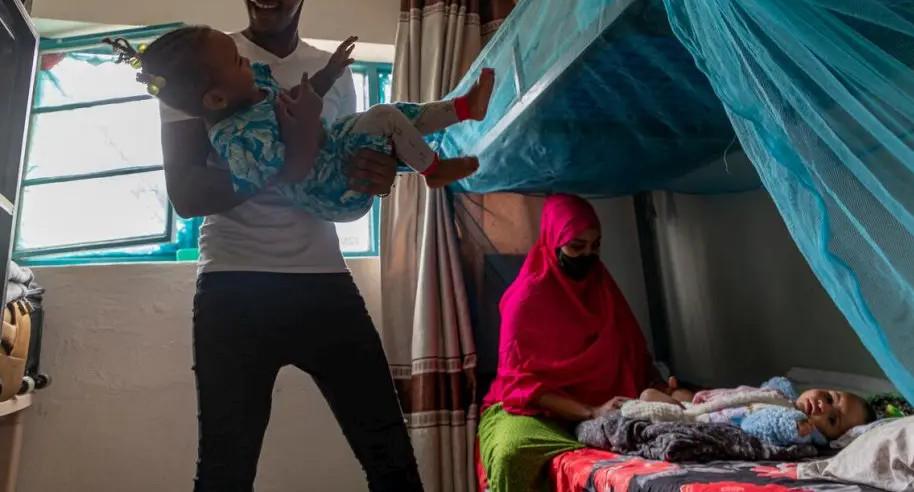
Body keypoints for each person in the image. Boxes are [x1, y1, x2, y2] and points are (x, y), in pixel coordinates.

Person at [159, 0, 423, 491]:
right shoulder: (203, 64)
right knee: (225, 472)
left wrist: (374, 174)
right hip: (233, 286)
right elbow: (185, 194)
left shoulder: (332, 73)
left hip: (324, 280)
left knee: (393, 463)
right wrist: (287, 165)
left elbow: (345, 175)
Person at [110, 28, 493, 221]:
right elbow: (290, 172)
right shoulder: (240, 138)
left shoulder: (252, 89)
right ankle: (434, 170)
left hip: (334, 153)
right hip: (329, 192)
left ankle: (463, 108)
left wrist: (327, 74)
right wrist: (308, 123)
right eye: (237, 62)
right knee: (384, 117)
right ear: (215, 99)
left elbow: (295, 95)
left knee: (392, 114)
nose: (246, 61)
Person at [477, 193, 672, 492]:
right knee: (512, 453)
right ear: (553, 243)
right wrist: (589, 412)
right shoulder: (526, 299)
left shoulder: (603, 290)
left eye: (595, 246)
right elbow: (520, 385)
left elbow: (633, 354)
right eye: (576, 247)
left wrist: (664, 389)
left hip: (606, 401)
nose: (587, 256)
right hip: (534, 409)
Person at [631, 376, 874, 447]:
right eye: (830, 397)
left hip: (704, 415)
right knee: (688, 395)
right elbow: (774, 385)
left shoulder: (795, 423)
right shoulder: (786, 397)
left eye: (832, 419)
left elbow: (761, 424)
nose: (823, 406)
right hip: (717, 396)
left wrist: (793, 427)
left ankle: (667, 394)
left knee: (647, 397)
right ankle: (676, 391)